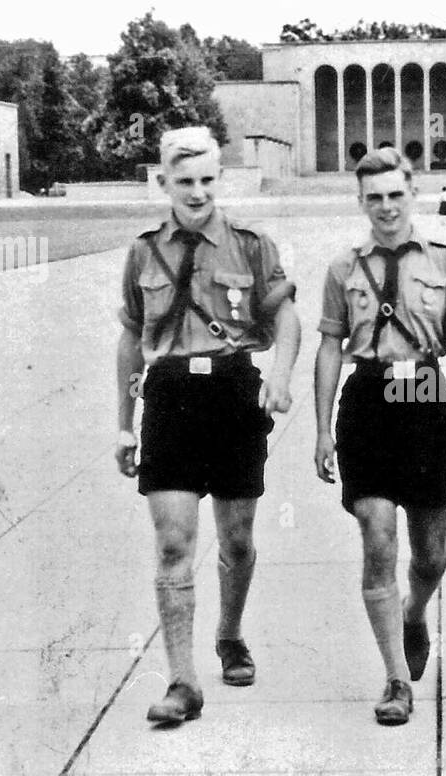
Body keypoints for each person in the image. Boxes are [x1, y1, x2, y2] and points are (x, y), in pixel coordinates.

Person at [115, 126, 300, 724]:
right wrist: (123, 423)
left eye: (206, 180)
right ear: (163, 182)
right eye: (183, 181)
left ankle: (229, 633)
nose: (196, 193)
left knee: (237, 539)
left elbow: (287, 316)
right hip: (169, 395)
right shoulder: (144, 251)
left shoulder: (250, 245)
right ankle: (182, 681)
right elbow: (128, 336)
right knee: (173, 546)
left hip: (233, 393)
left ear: (219, 179)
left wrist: (280, 375)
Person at [314, 147, 446, 726]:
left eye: (395, 194)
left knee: (431, 556)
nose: (385, 207)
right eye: (374, 197)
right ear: (360, 201)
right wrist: (320, 430)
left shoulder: (443, 260)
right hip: (367, 399)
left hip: (425, 397)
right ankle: (393, 679)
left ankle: (413, 615)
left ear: (412, 192)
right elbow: (330, 346)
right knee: (379, 540)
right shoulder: (342, 267)